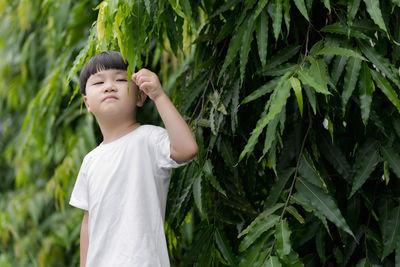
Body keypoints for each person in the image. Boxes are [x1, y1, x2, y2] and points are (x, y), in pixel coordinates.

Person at [69, 51, 198, 267]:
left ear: (140, 96)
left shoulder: (148, 139)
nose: (109, 86)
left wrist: (159, 96)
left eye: (120, 79)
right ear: (87, 103)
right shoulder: (90, 161)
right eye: (99, 82)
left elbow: (187, 149)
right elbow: (88, 222)